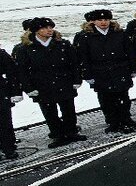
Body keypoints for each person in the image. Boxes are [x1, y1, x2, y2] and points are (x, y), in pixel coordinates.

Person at [13, 18, 85, 148]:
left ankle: (71, 131)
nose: (49, 30)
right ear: (36, 30)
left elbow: (74, 63)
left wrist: (76, 79)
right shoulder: (26, 48)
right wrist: (28, 88)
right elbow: (22, 71)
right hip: (42, 85)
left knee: (68, 109)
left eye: (51, 27)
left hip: (64, 81)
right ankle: (58, 134)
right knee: (50, 112)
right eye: (45, 28)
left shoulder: (62, 44)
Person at [74, 9, 136, 133]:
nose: (103, 22)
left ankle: (126, 119)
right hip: (100, 72)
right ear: (93, 21)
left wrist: (133, 67)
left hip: (120, 69)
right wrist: (87, 74)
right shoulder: (86, 37)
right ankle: (113, 122)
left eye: (106, 19)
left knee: (123, 97)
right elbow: (83, 57)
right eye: (100, 20)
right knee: (106, 99)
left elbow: (130, 51)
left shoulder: (119, 33)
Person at [0, 46, 20, 159]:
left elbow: (12, 72)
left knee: (4, 122)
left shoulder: (1, 54)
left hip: (1, 93)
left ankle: (8, 148)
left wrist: (15, 92)